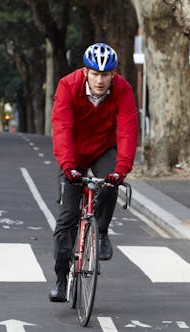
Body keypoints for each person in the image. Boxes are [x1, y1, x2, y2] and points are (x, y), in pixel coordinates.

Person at [49, 42, 139, 302]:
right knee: (66, 218)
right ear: (85, 71)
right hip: (73, 154)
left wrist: (121, 169)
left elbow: (128, 129)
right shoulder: (67, 85)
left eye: (106, 75)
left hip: (103, 148)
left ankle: (100, 232)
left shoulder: (122, 89)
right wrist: (68, 166)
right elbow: (61, 127)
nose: (100, 80)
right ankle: (60, 278)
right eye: (95, 74)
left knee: (110, 183)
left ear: (113, 74)